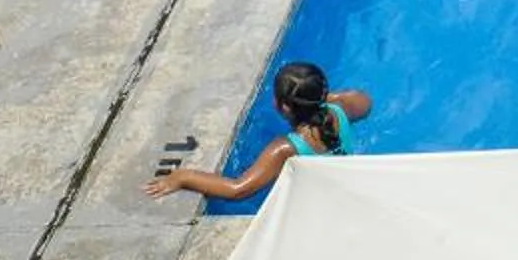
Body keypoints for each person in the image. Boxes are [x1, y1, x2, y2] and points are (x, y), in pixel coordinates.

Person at [146, 63, 372, 203]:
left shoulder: (285, 148)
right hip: (354, 187)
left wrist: (183, 177)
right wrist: (320, 99)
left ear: (283, 107)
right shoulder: (342, 107)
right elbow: (366, 104)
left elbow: (238, 190)